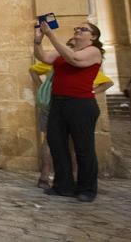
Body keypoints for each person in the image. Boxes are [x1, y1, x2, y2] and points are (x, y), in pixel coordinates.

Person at [34, 22, 105, 202]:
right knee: (57, 144)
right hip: (58, 102)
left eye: (83, 29)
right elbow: (43, 58)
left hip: (80, 104)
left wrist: (51, 35)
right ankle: (63, 185)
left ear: (93, 37)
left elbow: (75, 60)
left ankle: (87, 189)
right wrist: (37, 40)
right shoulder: (64, 51)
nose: (77, 31)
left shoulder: (93, 51)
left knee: (83, 148)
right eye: (76, 28)